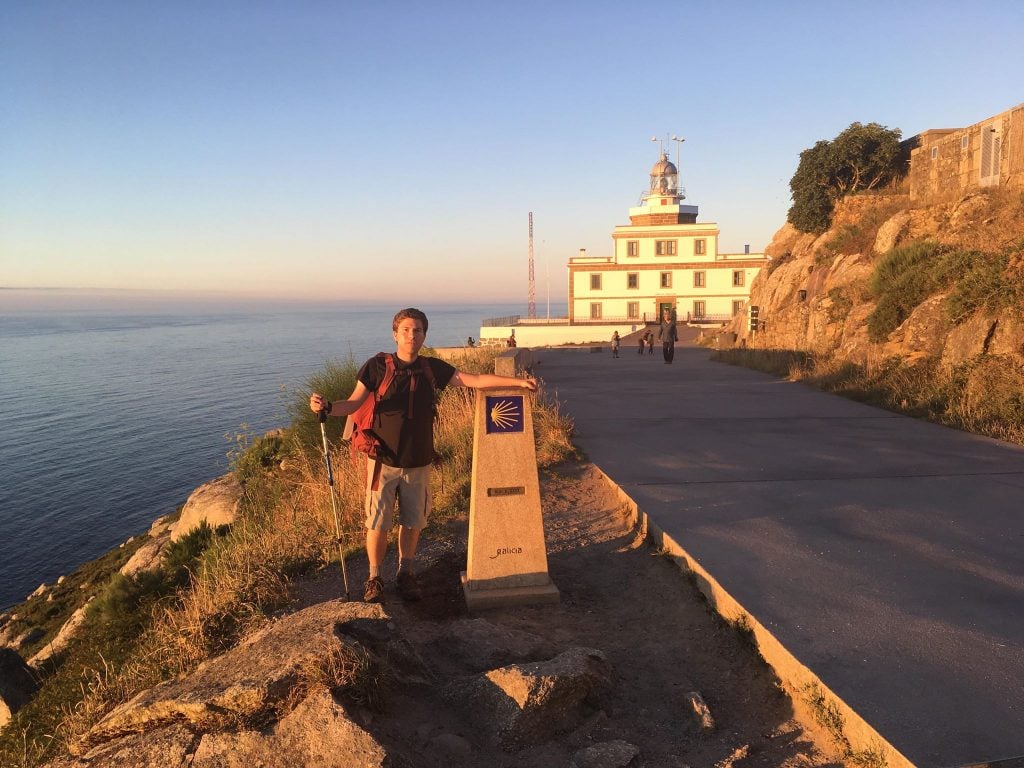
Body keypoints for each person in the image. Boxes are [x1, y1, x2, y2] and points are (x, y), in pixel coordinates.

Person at [310, 308, 536, 603]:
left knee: (412, 521)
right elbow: (352, 404)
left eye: (417, 330)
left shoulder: (431, 368)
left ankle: (406, 573)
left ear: (424, 335)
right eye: (405, 330)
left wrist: (517, 383)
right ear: (395, 334)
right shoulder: (376, 367)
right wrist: (326, 406)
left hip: (419, 462)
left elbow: (473, 380)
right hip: (382, 461)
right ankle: (374, 577)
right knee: (377, 522)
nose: (411, 335)